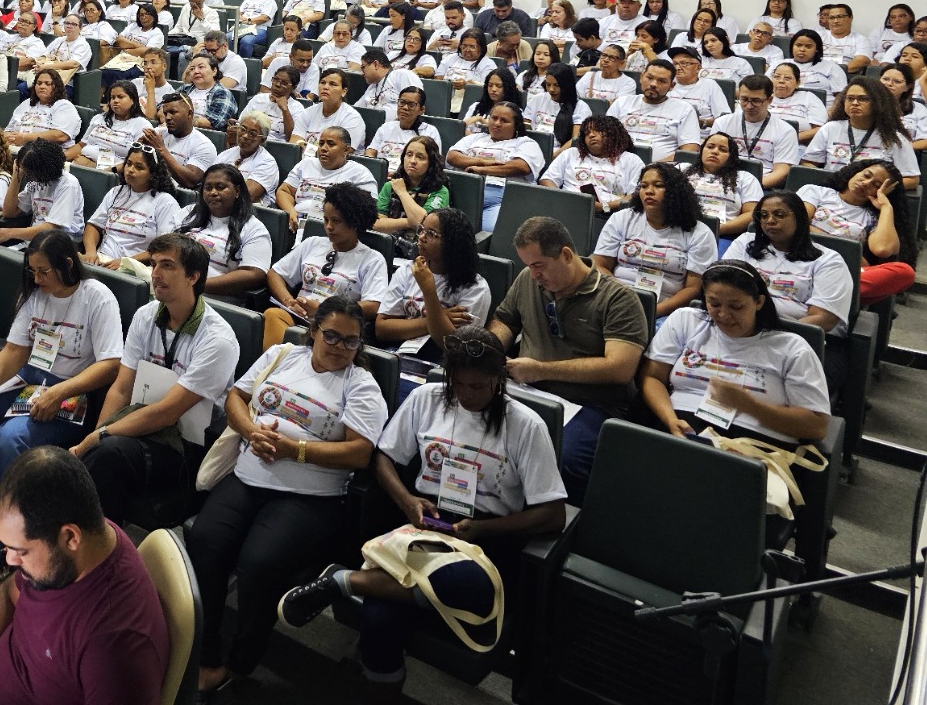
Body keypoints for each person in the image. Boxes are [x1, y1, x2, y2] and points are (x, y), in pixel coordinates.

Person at [278, 321, 565, 702]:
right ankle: (383, 689)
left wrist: (482, 530)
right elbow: (383, 460)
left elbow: (552, 514)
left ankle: (342, 581)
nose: (466, 395)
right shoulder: (428, 398)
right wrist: (408, 502)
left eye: (477, 386)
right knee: (379, 618)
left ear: (499, 380)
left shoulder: (525, 426)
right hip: (423, 524)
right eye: (458, 384)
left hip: (485, 537)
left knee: (471, 587)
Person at [187, 295, 388, 699]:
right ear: (313, 331)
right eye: (331, 335)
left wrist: (293, 450)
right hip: (247, 477)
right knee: (205, 541)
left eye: (350, 342)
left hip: (309, 497)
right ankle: (206, 654)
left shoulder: (360, 384)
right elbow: (236, 399)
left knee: (258, 564)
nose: (339, 347)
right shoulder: (282, 356)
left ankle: (242, 661)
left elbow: (360, 452)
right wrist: (250, 432)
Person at [0, 230, 123, 584]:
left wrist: (59, 392)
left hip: (73, 391)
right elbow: (17, 349)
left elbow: (110, 364)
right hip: (30, 380)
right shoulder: (35, 295)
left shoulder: (97, 298)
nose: (37, 279)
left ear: (67, 264)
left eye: (44, 271)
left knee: (8, 439)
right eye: (32, 271)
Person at [0, 446, 170, 705]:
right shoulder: (81, 544)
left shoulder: (115, 648)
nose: (9, 560)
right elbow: (10, 594)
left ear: (70, 537)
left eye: (20, 550)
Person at [76, 232, 242, 518]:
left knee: (108, 454)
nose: (155, 274)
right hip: (141, 425)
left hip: (185, 445)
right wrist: (95, 436)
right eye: (153, 265)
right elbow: (121, 389)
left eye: (167, 266)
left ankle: (98, 548)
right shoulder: (146, 315)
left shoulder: (218, 339)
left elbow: (167, 413)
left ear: (193, 276)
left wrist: (98, 438)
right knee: (100, 454)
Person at [487, 215, 649, 503]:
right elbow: (504, 321)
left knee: (564, 458)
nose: (534, 275)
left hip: (593, 405)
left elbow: (619, 369)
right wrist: (489, 351)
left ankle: (558, 525)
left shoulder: (618, 298)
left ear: (566, 255)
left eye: (539, 266)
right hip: (529, 389)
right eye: (528, 266)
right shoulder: (529, 280)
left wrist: (540, 371)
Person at [642, 262, 830, 447]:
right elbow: (652, 376)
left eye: (736, 307)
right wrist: (669, 419)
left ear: (758, 302)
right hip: (681, 428)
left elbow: (816, 426)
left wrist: (749, 405)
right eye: (714, 303)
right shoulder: (686, 321)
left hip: (753, 441)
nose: (723, 314)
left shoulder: (791, 348)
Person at [265, 183, 386, 348]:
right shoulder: (313, 243)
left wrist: (324, 309)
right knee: (272, 315)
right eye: (326, 219)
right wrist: (289, 302)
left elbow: (373, 306)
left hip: (336, 328)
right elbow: (275, 274)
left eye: (336, 221)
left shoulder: (372, 259)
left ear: (355, 223)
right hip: (299, 318)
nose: (329, 227)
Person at [593, 161, 715, 321]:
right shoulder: (622, 218)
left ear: (675, 191)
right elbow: (600, 265)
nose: (649, 191)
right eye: (643, 186)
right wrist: (621, 299)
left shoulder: (699, 233)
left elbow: (693, 288)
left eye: (658, 185)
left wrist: (653, 312)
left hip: (665, 309)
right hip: (616, 296)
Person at [724, 191, 852, 338]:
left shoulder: (828, 260)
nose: (770, 221)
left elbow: (823, 319)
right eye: (764, 215)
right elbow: (721, 287)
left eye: (779, 214)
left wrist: (769, 336)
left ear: (799, 218)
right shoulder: (745, 243)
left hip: (795, 337)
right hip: (738, 328)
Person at [375, 208, 490, 359]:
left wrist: (428, 291)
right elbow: (382, 328)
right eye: (421, 230)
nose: (421, 237)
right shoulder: (408, 271)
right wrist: (441, 317)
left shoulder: (475, 288)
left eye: (431, 234)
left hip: (443, 364)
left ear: (452, 242)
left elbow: (456, 348)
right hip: (398, 354)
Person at [800, 160, 918, 304]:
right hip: (804, 258)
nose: (866, 183)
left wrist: (886, 207)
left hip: (839, 271)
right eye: (866, 175)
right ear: (855, 171)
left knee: (904, 272)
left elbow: (883, 249)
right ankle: (830, 292)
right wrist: (849, 252)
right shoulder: (816, 192)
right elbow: (797, 225)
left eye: (876, 185)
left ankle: (821, 289)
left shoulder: (872, 218)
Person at [802, 75, 920, 188]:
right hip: (832, 191)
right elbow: (807, 164)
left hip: (870, 197)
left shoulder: (895, 137)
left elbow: (912, 180)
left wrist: (875, 188)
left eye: (863, 99)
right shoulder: (830, 128)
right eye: (850, 98)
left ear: (877, 103)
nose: (854, 103)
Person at [81, 144, 183, 271]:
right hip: (102, 260)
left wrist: (126, 262)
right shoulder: (116, 192)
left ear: (153, 174)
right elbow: (94, 225)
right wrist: (90, 252)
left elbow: (166, 247)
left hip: (135, 267)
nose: (130, 169)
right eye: (128, 164)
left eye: (139, 167)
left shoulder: (165, 202)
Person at [174, 163, 272, 295]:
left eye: (220, 187)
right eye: (208, 188)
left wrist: (196, 286)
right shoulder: (189, 212)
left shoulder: (253, 228)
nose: (213, 192)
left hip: (213, 298)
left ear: (237, 191)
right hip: (173, 287)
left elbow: (254, 273)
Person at [446, 102, 544, 231]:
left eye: (504, 121)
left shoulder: (525, 143)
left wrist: (481, 170)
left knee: (490, 232)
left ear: (516, 125)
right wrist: (482, 162)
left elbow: (521, 166)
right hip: (463, 194)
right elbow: (452, 156)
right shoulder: (475, 138)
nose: (497, 123)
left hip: (501, 199)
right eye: (494, 118)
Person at [277, 124, 378, 241]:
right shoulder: (306, 164)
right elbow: (284, 191)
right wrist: (290, 212)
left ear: (346, 150)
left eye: (331, 144)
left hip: (332, 233)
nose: (323, 148)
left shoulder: (360, 174)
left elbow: (367, 213)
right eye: (321, 143)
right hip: (295, 226)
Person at [710, 74, 800, 188]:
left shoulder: (786, 131)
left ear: (770, 100)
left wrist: (750, 187)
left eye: (756, 101)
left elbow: (781, 172)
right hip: (723, 181)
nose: (749, 106)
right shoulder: (722, 123)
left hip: (762, 183)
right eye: (744, 99)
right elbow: (711, 160)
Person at [607, 59, 702, 162]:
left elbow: (690, 149)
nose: (653, 84)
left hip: (663, 170)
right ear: (641, 77)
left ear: (671, 86)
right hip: (618, 164)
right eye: (649, 78)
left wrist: (655, 168)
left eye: (661, 81)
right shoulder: (622, 103)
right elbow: (604, 137)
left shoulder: (684, 109)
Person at [685, 132, 763, 251]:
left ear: (731, 157)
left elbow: (751, 214)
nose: (715, 151)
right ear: (701, 151)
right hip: (681, 229)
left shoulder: (745, 178)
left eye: (722, 149)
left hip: (722, 235)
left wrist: (717, 229)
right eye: (710, 147)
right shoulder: (682, 170)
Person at [0, 139, 85, 244]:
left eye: (28, 171)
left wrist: (11, 233)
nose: (27, 175)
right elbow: (9, 212)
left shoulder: (68, 184)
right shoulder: (36, 181)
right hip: (36, 241)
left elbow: (52, 228)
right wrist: (17, 175)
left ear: (41, 171)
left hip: (60, 243)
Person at [374, 135, 449, 239]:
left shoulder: (440, 191)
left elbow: (423, 224)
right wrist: (409, 222)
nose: (412, 161)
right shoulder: (391, 185)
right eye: (409, 155)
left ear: (431, 163)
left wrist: (402, 192)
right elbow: (376, 225)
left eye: (420, 157)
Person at [141, 93, 216, 188]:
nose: (167, 118)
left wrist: (161, 150)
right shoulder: (157, 134)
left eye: (173, 112)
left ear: (189, 113)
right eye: (165, 113)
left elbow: (190, 181)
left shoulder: (204, 146)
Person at [70, 83, 151, 168]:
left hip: (112, 173)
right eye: (112, 97)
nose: (115, 101)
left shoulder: (142, 125)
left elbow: (136, 162)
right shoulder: (99, 118)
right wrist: (61, 158)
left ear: (132, 100)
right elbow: (81, 145)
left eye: (120, 97)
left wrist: (98, 169)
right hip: (81, 164)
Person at [215, 111, 282, 207]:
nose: (245, 136)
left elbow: (246, 195)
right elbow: (208, 182)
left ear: (262, 139)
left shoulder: (267, 162)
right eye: (242, 129)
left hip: (249, 212)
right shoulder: (225, 155)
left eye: (252, 134)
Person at [4, 69, 82, 149]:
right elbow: (7, 131)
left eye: (47, 84)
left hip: (47, 154)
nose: (42, 86)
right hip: (17, 149)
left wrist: (24, 138)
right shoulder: (27, 103)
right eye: (39, 83)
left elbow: (60, 136)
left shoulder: (64, 106)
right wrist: (10, 138)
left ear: (57, 87)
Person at [665, 46, 731, 127]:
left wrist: (703, 122)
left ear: (698, 67)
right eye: (675, 64)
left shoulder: (709, 85)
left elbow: (724, 118)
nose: (678, 68)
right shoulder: (667, 84)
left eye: (684, 63)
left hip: (702, 135)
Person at [769, 62, 829, 142]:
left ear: (798, 83)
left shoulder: (809, 97)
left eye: (787, 78)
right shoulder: (763, 97)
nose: (781, 81)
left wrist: (791, 138)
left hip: (798, 144)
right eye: (777, 77)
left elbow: (819, 129)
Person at [461, 68, 524, 137]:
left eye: (499, 86)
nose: (493, 89)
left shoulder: (515, 112)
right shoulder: (476, 107)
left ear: (508, 87)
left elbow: (503, 136)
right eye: (490, 85)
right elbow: (460, 128)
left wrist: (482, 121)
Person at [786, 29, 847, 95]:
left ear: (817, 49)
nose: (802, 49)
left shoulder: (831, 67)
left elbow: (840, 96)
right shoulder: (779, 64)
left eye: (808, 46)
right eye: (798, 45)